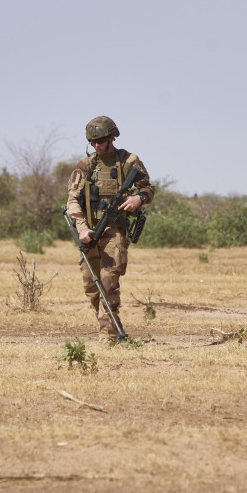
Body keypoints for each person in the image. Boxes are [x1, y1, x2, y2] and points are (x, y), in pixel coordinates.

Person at [65, 116, 155, 341]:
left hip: (114, 229)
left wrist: (138, 199)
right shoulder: (85, 166)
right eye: (93, 142)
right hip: (90, 231)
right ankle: (111, 327)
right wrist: (83, 228)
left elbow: (148, 189)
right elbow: (72, 200)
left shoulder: (129, 161)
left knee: (109, 279)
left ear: (112, 137)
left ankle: (108, 336)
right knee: (91, 284)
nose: (97, 145)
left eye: (102, 140)